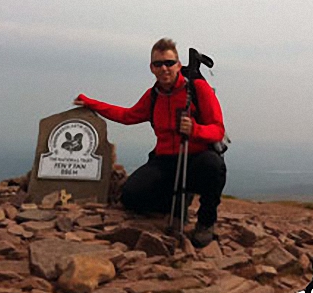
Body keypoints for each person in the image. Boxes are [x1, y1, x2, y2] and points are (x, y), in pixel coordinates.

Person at [74, 38, 226, 247]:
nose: (164, 68)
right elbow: (127, 116)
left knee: (213, 166)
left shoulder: (198, 89)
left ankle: (206, 222)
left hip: (196, 157)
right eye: (158, 64)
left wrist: (195, 129)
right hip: (164, 160)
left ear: (178, 65)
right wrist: (91, 103)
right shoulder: (154, 96)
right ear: (151, 68)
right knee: (131, 196)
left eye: (169, 63)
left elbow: (218, 130)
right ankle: (175, 201)